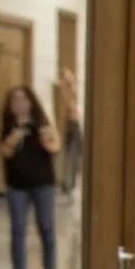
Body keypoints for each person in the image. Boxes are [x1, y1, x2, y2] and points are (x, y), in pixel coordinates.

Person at [0, 85, 60, 269]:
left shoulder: (42, 122)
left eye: (23, 99)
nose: (19, 104)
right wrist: (16, 134)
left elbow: (55, 147)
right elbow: (5, 151)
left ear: (31, 102)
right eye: (14, 100)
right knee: (18, 231)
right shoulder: (8, 125)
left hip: (43, 183)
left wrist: (45, 136)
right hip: (17, 186)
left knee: (47, 228)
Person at [58, 67, 83, 195]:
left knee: (76, 154)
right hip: (71, 125)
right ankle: (68, 182)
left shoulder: (72, 92)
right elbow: (69, 107)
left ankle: (71, 181)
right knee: (71, 154)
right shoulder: (65, 91)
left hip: (75, 124)